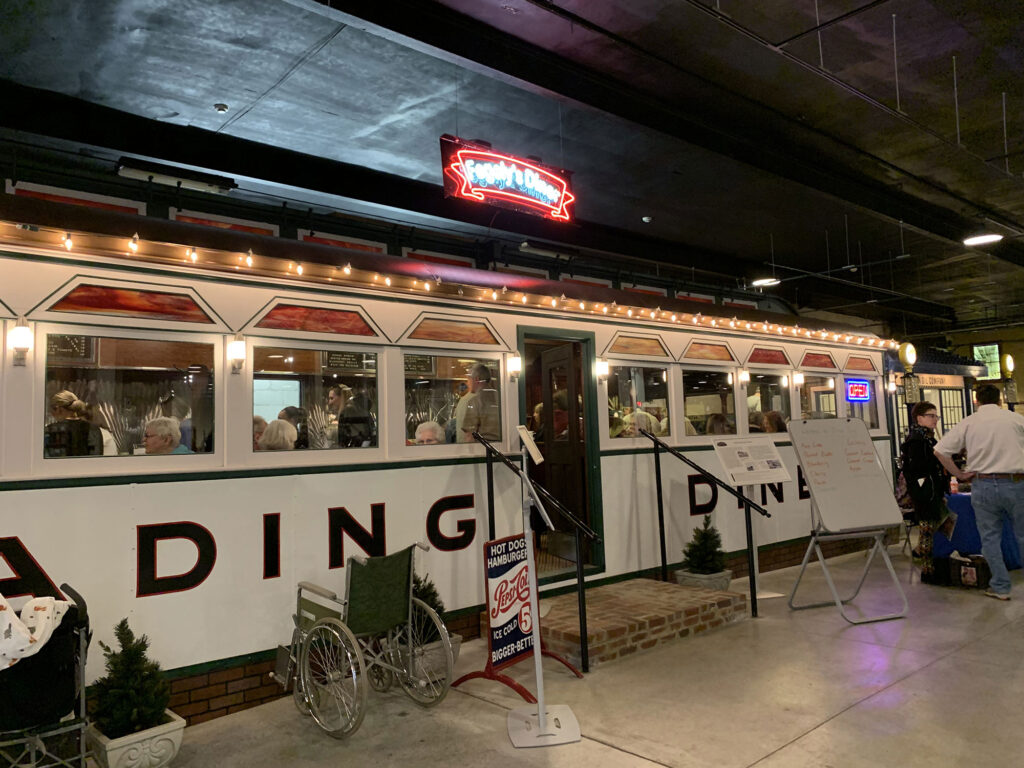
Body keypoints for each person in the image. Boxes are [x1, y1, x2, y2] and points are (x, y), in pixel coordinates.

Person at [934, 384, 1024, 600]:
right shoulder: (1015, 419)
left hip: (982, 485)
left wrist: (960, 474)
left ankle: (1001, 587)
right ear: (1000, 399)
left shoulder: (969, 422)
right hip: (1016, 482)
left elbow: (940, 450)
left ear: (977, 401)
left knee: (990, 538)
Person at [901, 401, 947, 576]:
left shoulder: (929, 438)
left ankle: (930, 563)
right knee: (926, 528)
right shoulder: (917, 441)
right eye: (931, 416)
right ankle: (928, 570)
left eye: (936, 416)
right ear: (920, 418)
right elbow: (918, 470)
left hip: (932, 490)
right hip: (925, 493)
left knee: (932, 527)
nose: (935, 419)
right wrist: (925, 489)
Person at [44, 390, 103, 457]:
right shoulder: (93, 429)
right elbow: (96, 457)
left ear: (58, 409)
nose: (51, 413)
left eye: (52, 409)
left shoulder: (51, 430)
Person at [457, 363, 500, 442]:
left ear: (476, 379)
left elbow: (469, 435)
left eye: (469, 379)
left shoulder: (474, 401)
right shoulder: (501, 398)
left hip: (483, 449)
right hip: (502, 448)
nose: (467, 383)